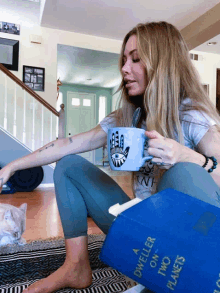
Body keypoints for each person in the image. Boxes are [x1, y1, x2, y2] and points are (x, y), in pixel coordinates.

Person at [0, 21, 220, 293]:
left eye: (136, 59)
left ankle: (184, 280)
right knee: (68, 166)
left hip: (196, 248)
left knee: (182, 173)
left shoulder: (193, 116)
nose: (125, 68)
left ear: (163, 64)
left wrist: (186, 156)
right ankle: (76, 266)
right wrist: (10, 167)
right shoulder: (128, 117)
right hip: (145, 232)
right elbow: (67, 144)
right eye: (124, 60)